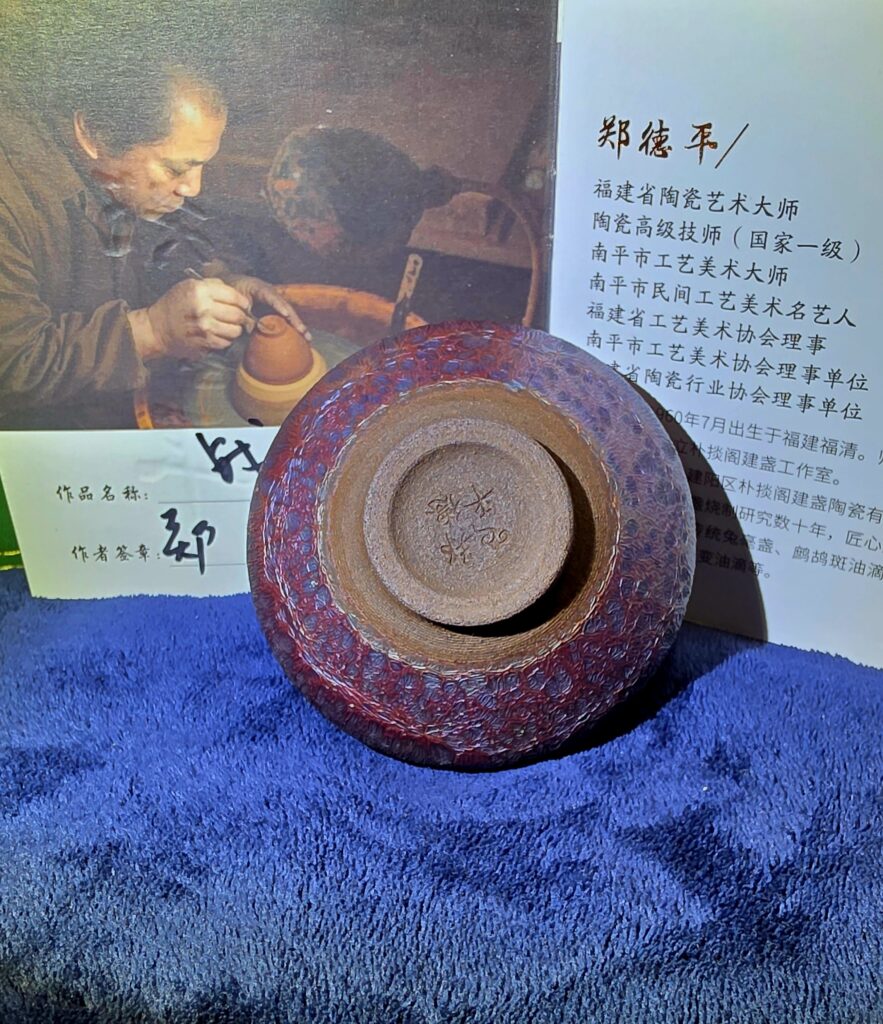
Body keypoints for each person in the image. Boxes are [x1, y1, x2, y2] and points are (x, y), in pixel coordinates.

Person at [0, 63, 307, 429]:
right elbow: (11, 365)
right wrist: (154, 331)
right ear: (95, 134)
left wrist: (218, 278)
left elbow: (157, 236)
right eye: (176, 169)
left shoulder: (119, 173)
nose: (193, 188)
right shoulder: (12, 200)